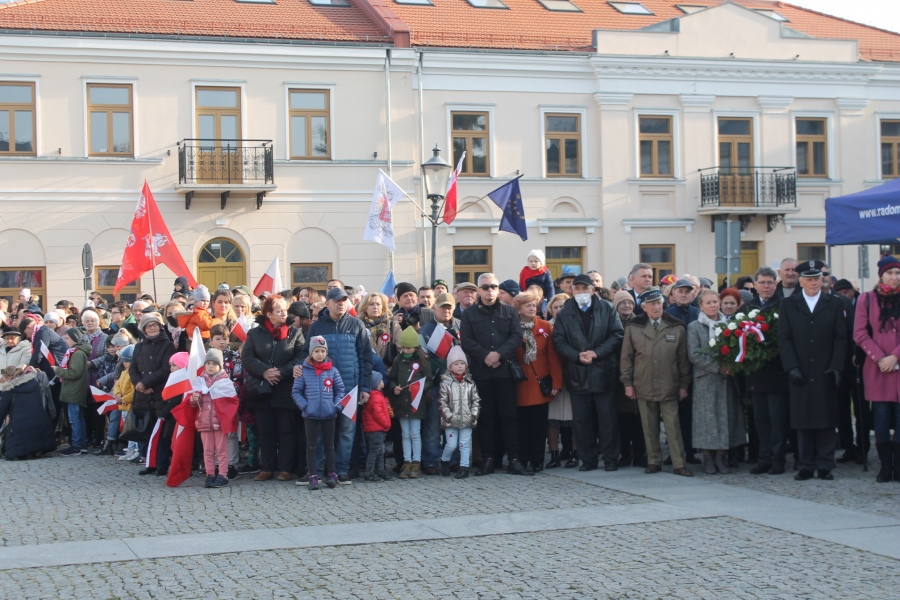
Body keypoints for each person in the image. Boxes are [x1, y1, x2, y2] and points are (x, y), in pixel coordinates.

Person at [778, 263, 847, 481]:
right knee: (803, 419)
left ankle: (825, 464)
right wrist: (791, 366)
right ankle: (805, 464)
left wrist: (836, 365)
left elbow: (841, 337)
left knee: (826, 418)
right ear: (801, 281)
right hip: (800, 369)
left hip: (825, 369)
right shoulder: (788, 304)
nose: (813, 283)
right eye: (809, 279)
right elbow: (784, 338)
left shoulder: (834, 303)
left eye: (817, 278)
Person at [552, 275, 624, 472]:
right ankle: (588, 460)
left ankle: (610, 459)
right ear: (572, 291)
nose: (581, 292)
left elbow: (617, 334)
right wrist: (576, 356)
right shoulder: (565, 312)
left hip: (603, 372)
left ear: (593, 290)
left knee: (607, 420)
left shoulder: (607, 308)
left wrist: (597, 353)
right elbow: (558, 340)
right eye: (577, 289)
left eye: (585, 288)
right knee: (582, 422)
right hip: (577, 374)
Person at [460, 273, 529, 476]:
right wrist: (486, 356)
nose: (489, 290)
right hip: (482, 373)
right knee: (485, 418)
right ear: (479, 290)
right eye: (485, 287)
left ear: (498, 290)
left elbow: (516, 336)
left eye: (493, 286)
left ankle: (514, 459)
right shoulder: (469, 313)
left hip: (505, 371)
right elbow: (466, 340)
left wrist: (498, 354)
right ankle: (488, 459)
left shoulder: (509, 311)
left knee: (509, 417)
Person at [299, 287, 371, 484]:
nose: (341, 304)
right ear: (327, 304)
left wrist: (364, 387)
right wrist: (300, 368)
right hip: (322, 390)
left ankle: (341, 470)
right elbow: (305, 354)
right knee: (320, 433)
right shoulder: (316, 327)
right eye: (337, 300)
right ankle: (317, 470)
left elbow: (365, 359)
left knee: (346, 432)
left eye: (344, 300)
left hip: (350, 389)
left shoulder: (357, 325)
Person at [620, 288, 693, 477]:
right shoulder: (634, 327)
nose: (656, 307)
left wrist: (684, 385)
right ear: (644, 307)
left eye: (659, 303)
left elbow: (683, 360)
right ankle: (654, 461)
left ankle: (679, 463)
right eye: (652, 304)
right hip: (643, 383)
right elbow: (626, 358)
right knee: (649, 427)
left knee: (673, 427)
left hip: (670, 384)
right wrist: (627, 383)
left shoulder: (676, 327)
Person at [243, 295, 305, 482]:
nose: (284, 313)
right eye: (279, 311)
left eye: (285, 310)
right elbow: (247, 357)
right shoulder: (255, 334)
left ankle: (286, 468)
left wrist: (281, 372)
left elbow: (300, 357)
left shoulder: (295, 333)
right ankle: (267, 468)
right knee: (265, 430)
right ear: (269, 314)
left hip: (285, 388)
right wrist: (264, 371)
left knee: (287, 430)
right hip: (262, 389)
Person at [738, 267, 790, 475]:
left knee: (778, 421)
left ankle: (778, 460)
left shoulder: (785, 306)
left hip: (778, 373)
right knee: (760, 420)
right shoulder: (746, 308)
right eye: (762, 282)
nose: (766, 286)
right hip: (755, 374)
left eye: (770, 282)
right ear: (756, 285)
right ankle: (764, 458)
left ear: (776, 284)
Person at [853, 255, 900, 483]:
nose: (894, 277)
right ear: (881, 275)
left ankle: (898, 466)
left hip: (898, 365)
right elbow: (860, 333)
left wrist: (895, 357)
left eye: (898, 273)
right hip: (878, 368)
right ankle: (885, 466)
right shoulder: (867, 299)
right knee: (880, 416)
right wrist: (881, 358)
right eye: (890, 273)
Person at [688, 290, 745, 475]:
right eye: (708, 302)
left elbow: (737, 348)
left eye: (715, 302)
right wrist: (717, 367)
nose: (713, 305)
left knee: (725, 418)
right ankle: (707, 457)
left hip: (727, 379)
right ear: (701, 306)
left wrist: (731, 365)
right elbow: (694, 354)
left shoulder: (729, 324)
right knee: (707, 419)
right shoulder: (695, 327)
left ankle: (721, 457)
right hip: (706, 379)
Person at [514, 292, 564, 473]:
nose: (532, 308)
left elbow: (553, 357)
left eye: (533, 305)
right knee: (521, 426)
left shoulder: (545, 326)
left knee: (539, 426)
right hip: (519, 384)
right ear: (518, 309)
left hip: (539, 384)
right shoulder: (512, 328)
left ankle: (537, 460)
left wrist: (556, 383)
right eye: (527, 305)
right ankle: (522, 459)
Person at [291, 335, 343, 491]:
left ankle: (331, 474)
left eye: (322, 351)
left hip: (329, 413)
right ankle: (313, 475)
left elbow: (340, 390)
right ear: (311, 353)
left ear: (326, 352)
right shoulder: (304, 371)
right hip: (310, 414)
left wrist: (336, 406)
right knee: (311, 446)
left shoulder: (333, 371)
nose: (320, 354)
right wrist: (305, 406)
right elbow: (296, 392)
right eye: (317, 351)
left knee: (330, 445)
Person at [418, 292, 462, 475]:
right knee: (433, 426)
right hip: (435, 384)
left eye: (449, 307)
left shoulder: (461, 327)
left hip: (457, 384)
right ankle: (430, 460)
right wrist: (428, 385)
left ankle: (453, 460)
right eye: (442, 307)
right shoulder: (425, 331)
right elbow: (422, 361)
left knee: (454, 424)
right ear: (435, 308)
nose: (446, 311)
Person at [129, 313, 177, 474]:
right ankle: (150, 463)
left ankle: (162, 464)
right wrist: (139, 384)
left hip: (159, 392)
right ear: (143, 329)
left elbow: (166, 368)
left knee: (161, 431)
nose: (152, 328)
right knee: (147, 431)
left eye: (155, 324)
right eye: (149, 326)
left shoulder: (167, 345)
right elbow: (133, 368)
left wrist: (146, 383)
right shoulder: (139, 346)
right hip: (142, 394)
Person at [190, 348, 240, 488]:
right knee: (207, 450)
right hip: (205, 422)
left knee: (221, 450)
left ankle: (223, 474)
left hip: (220, 422)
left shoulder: (225, 382)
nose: (211, 366)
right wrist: (194, 399)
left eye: (214, 364)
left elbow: (232, 402)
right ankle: (210, 474)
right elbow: (192, 403)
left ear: (220, 365)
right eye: (208, 363)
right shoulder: (200, 382)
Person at [389, 327, 433, 479]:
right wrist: (394, 387)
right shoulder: (398, 360)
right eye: (403, 348)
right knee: (405, 434)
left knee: (415, 433)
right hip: (402, 402)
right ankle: (406, 462)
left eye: (408, 348)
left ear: (415, 347)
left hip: (416, 402)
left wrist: (419, 389)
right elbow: (392, 378)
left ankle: (416, 462)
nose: (405, 350)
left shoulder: (423, 361)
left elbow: (429, 380)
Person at [613, 290, 645, 468]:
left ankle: (640, 454)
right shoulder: (612, 322)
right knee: (622, 420)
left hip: (639, 376)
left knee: (639, 419)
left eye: (630, 303)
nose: (627, 306)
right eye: (623, 303)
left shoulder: (640, 322)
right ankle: (625, 454)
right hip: (618, 378)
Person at [438, 346, 481, 480]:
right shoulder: (446, 383)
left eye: (462, 363)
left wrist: (474, 414)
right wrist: (448, 416)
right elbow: (442, 402)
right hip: (451, 420)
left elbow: (476, 400)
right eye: (456, 364)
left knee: (464, 444)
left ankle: (464, 467)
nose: (460, 366)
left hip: (467, 419)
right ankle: (445, 461)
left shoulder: (470, 383)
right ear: (450, 367)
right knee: (451, 444)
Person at [545, 293, 576, 468]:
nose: (559, 310)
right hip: (552, 378)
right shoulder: (546, 327)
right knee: (552, 419)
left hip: (572, 376)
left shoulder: (575, 324)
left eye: (562, 306)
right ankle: (554, 453)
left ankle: (575, 452)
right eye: (555, 307)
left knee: (574, 418)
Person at [0, 365, 57, 459]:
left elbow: (1, 412)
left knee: (14, 449)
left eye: (4, 378)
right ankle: (38, 450)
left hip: (20, 429)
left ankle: (29, 451)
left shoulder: (8, 390)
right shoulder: (33, 383)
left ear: (9, 377)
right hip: (41, 426)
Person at [54, 328, 93, 456]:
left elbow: (74, 373)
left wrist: (57, 370)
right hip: (75, 390)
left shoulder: (77, 353)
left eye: (68, 338)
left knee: (74, 419)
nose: (66, 341)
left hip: (74, 391)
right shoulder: (77, 352)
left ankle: (76, 446)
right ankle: (82, 445)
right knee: (78, 418)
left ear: (75, 338)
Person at [361, 372, 392, 483]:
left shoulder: (375, 396)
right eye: (381, 380)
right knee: (374, 452)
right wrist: (386, 424)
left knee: (380, 451)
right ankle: (369, 472)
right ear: (377, 384)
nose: (383, 382)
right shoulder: (376, 397)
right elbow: (378, 413)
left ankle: (380, 470)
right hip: (376, 429)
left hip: (375, 429)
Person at [359, 292, 401, 367]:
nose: (375, 307)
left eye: (378, 304)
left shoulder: (393, 326)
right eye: (371, 304)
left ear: (383, 307)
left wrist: (392, 371)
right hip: (367, 371)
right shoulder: (359, 327)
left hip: (389, 370)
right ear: (365, 308)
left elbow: (401, 351)